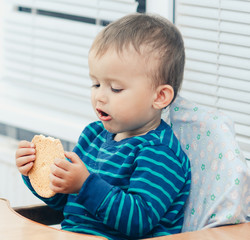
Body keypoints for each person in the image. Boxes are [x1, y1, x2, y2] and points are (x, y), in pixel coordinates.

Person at [15, 13, 191, 240]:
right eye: (96, 84)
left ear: (159, 97)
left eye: (115, 88)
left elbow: (139, 221)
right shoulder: (93, 136)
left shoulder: (159, 153)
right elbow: (64, 203)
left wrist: (85, 185)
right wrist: (35, 173)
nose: (99, 96)